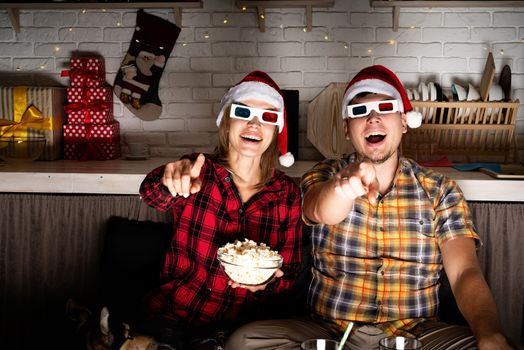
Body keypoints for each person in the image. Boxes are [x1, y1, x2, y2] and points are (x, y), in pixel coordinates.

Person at [225, 65, 512, 350]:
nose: (373, 118)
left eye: (384, 107)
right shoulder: (323, 175)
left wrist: (490, 333)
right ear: (347, 129)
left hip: (417, 336)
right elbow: (318, 210)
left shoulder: (440, 189)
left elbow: (464, 273)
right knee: (245, 341)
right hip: (329, 332)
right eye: (359, 112)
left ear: (403, 121)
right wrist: (344, 186)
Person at [137, 71, 303, 350]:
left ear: (276, 131)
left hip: (241, 331)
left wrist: (268, 284)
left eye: (268, 117)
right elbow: (151, 195)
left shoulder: (286, 193)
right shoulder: (198, 170)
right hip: (172, 317)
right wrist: (170, 181)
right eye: (243, 112)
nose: (254, 123)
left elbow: (290, 271)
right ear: (226, 123)